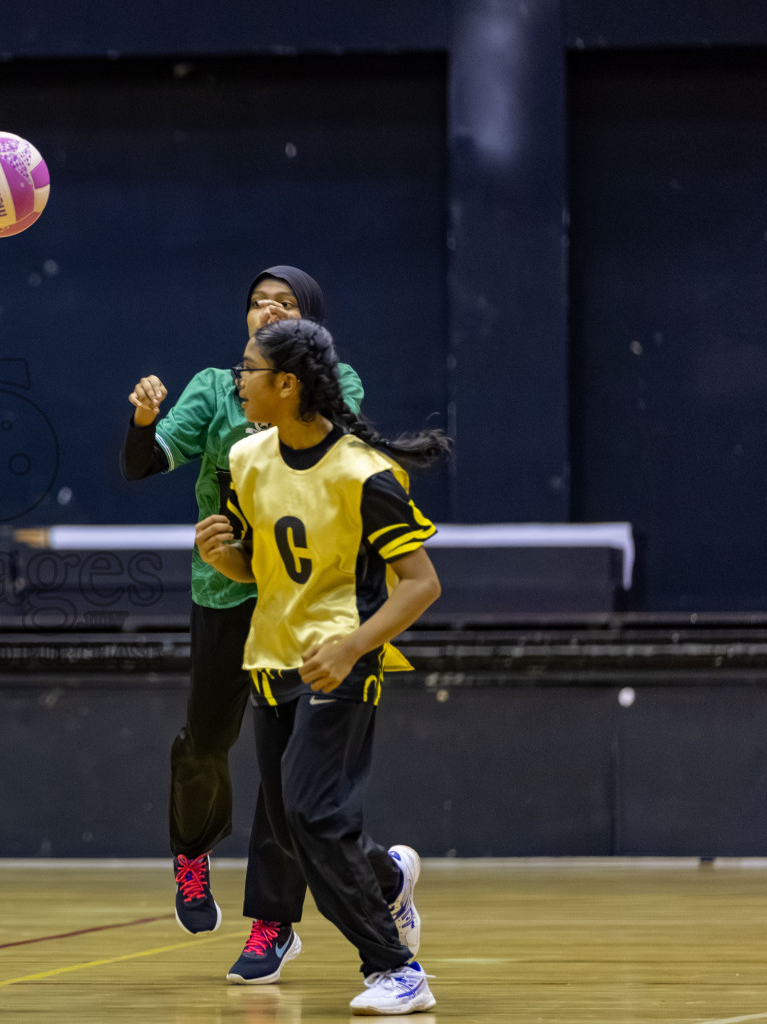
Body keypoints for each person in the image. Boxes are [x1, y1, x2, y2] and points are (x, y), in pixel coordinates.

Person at [120, 267, 381, 948]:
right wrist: (142, 423)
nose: (265, 310)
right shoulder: (215, 387)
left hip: (299, 602)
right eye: (257, 303)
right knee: (206, 743)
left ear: (310, 323)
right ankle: (192, 851)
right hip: (224, 594)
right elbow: (143, 465)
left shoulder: (337, 385)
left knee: (282, 771)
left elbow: (338, 458)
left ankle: (271, 919)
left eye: (283, 303)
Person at [195, 316, 447, 1014]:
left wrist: (354, 644)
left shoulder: (365, 475)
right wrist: (228, 559)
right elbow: (269, 569)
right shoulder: (246, 460)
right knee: (297, 829)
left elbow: (422, 583)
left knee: (311, 812)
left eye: (247, 369)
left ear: (287, 383)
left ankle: (397, 971)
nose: (236, 380)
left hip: (340, 664)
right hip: (269, 661)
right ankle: (388, 878)